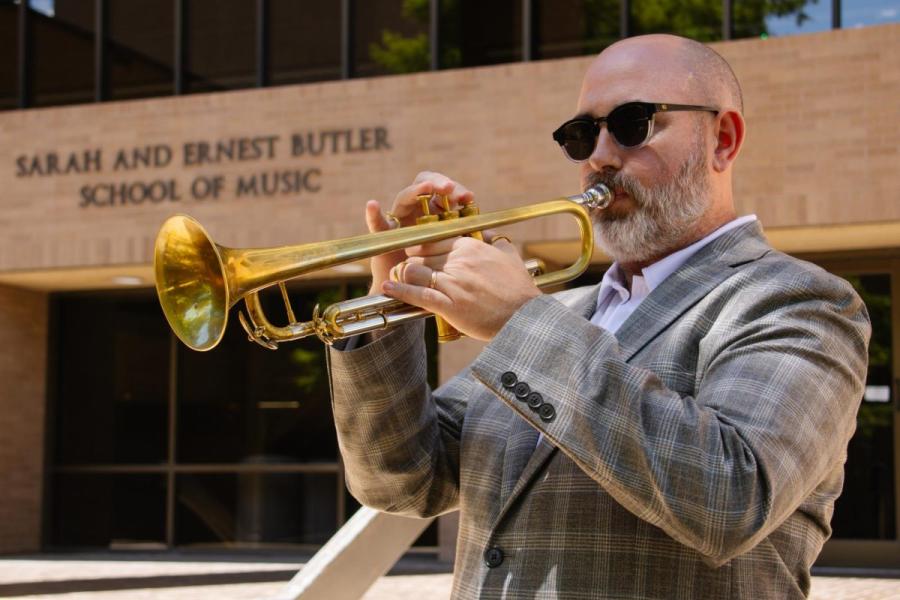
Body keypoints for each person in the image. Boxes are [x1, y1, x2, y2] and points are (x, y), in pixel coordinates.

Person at [327, 34, 870, 599]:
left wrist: (519, 322)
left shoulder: (800, 301)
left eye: (633, 124)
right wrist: (385, 305)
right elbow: (402, 483)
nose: (599, 158)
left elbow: (731, 496)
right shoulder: (564, 312)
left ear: (723, 140)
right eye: (582, 135)